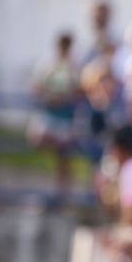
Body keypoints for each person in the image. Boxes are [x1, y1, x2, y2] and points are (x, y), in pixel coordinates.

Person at [27, 32, 81, 191]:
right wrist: (50, 96)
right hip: (49, 115)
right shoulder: (47, 64)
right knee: (41, 142)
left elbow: (78, 89)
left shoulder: (74, 66)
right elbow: (36, 87)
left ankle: (62, 191)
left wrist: (65, 98)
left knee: (64, 155)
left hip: (65, 117)